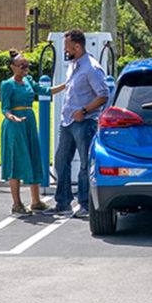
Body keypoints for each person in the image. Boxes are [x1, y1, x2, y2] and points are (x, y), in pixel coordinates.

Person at [43, 29, 110, 219]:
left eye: (67, 46)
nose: (65, 50)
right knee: (61, 162)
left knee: (84, 165)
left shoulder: (92, 68)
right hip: (67, 122)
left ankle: (85, 204)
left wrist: (84, 111)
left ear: (77, 46)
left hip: (84, 122)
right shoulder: (73, 65)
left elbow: (103, 95)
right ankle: (62, 202)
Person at [0, 50, 62, 215]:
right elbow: (5, 108)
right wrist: (11, 116)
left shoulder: (28, 81)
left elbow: (45, 91)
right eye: (22, 67)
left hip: (29, 121)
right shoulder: (7, 84)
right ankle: (17, 203)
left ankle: (36, 201)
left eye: (27, 66)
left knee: (34, 158)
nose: (26, 70)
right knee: (16, 161)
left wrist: (66, 85)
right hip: (15, 125)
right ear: (13, 67)